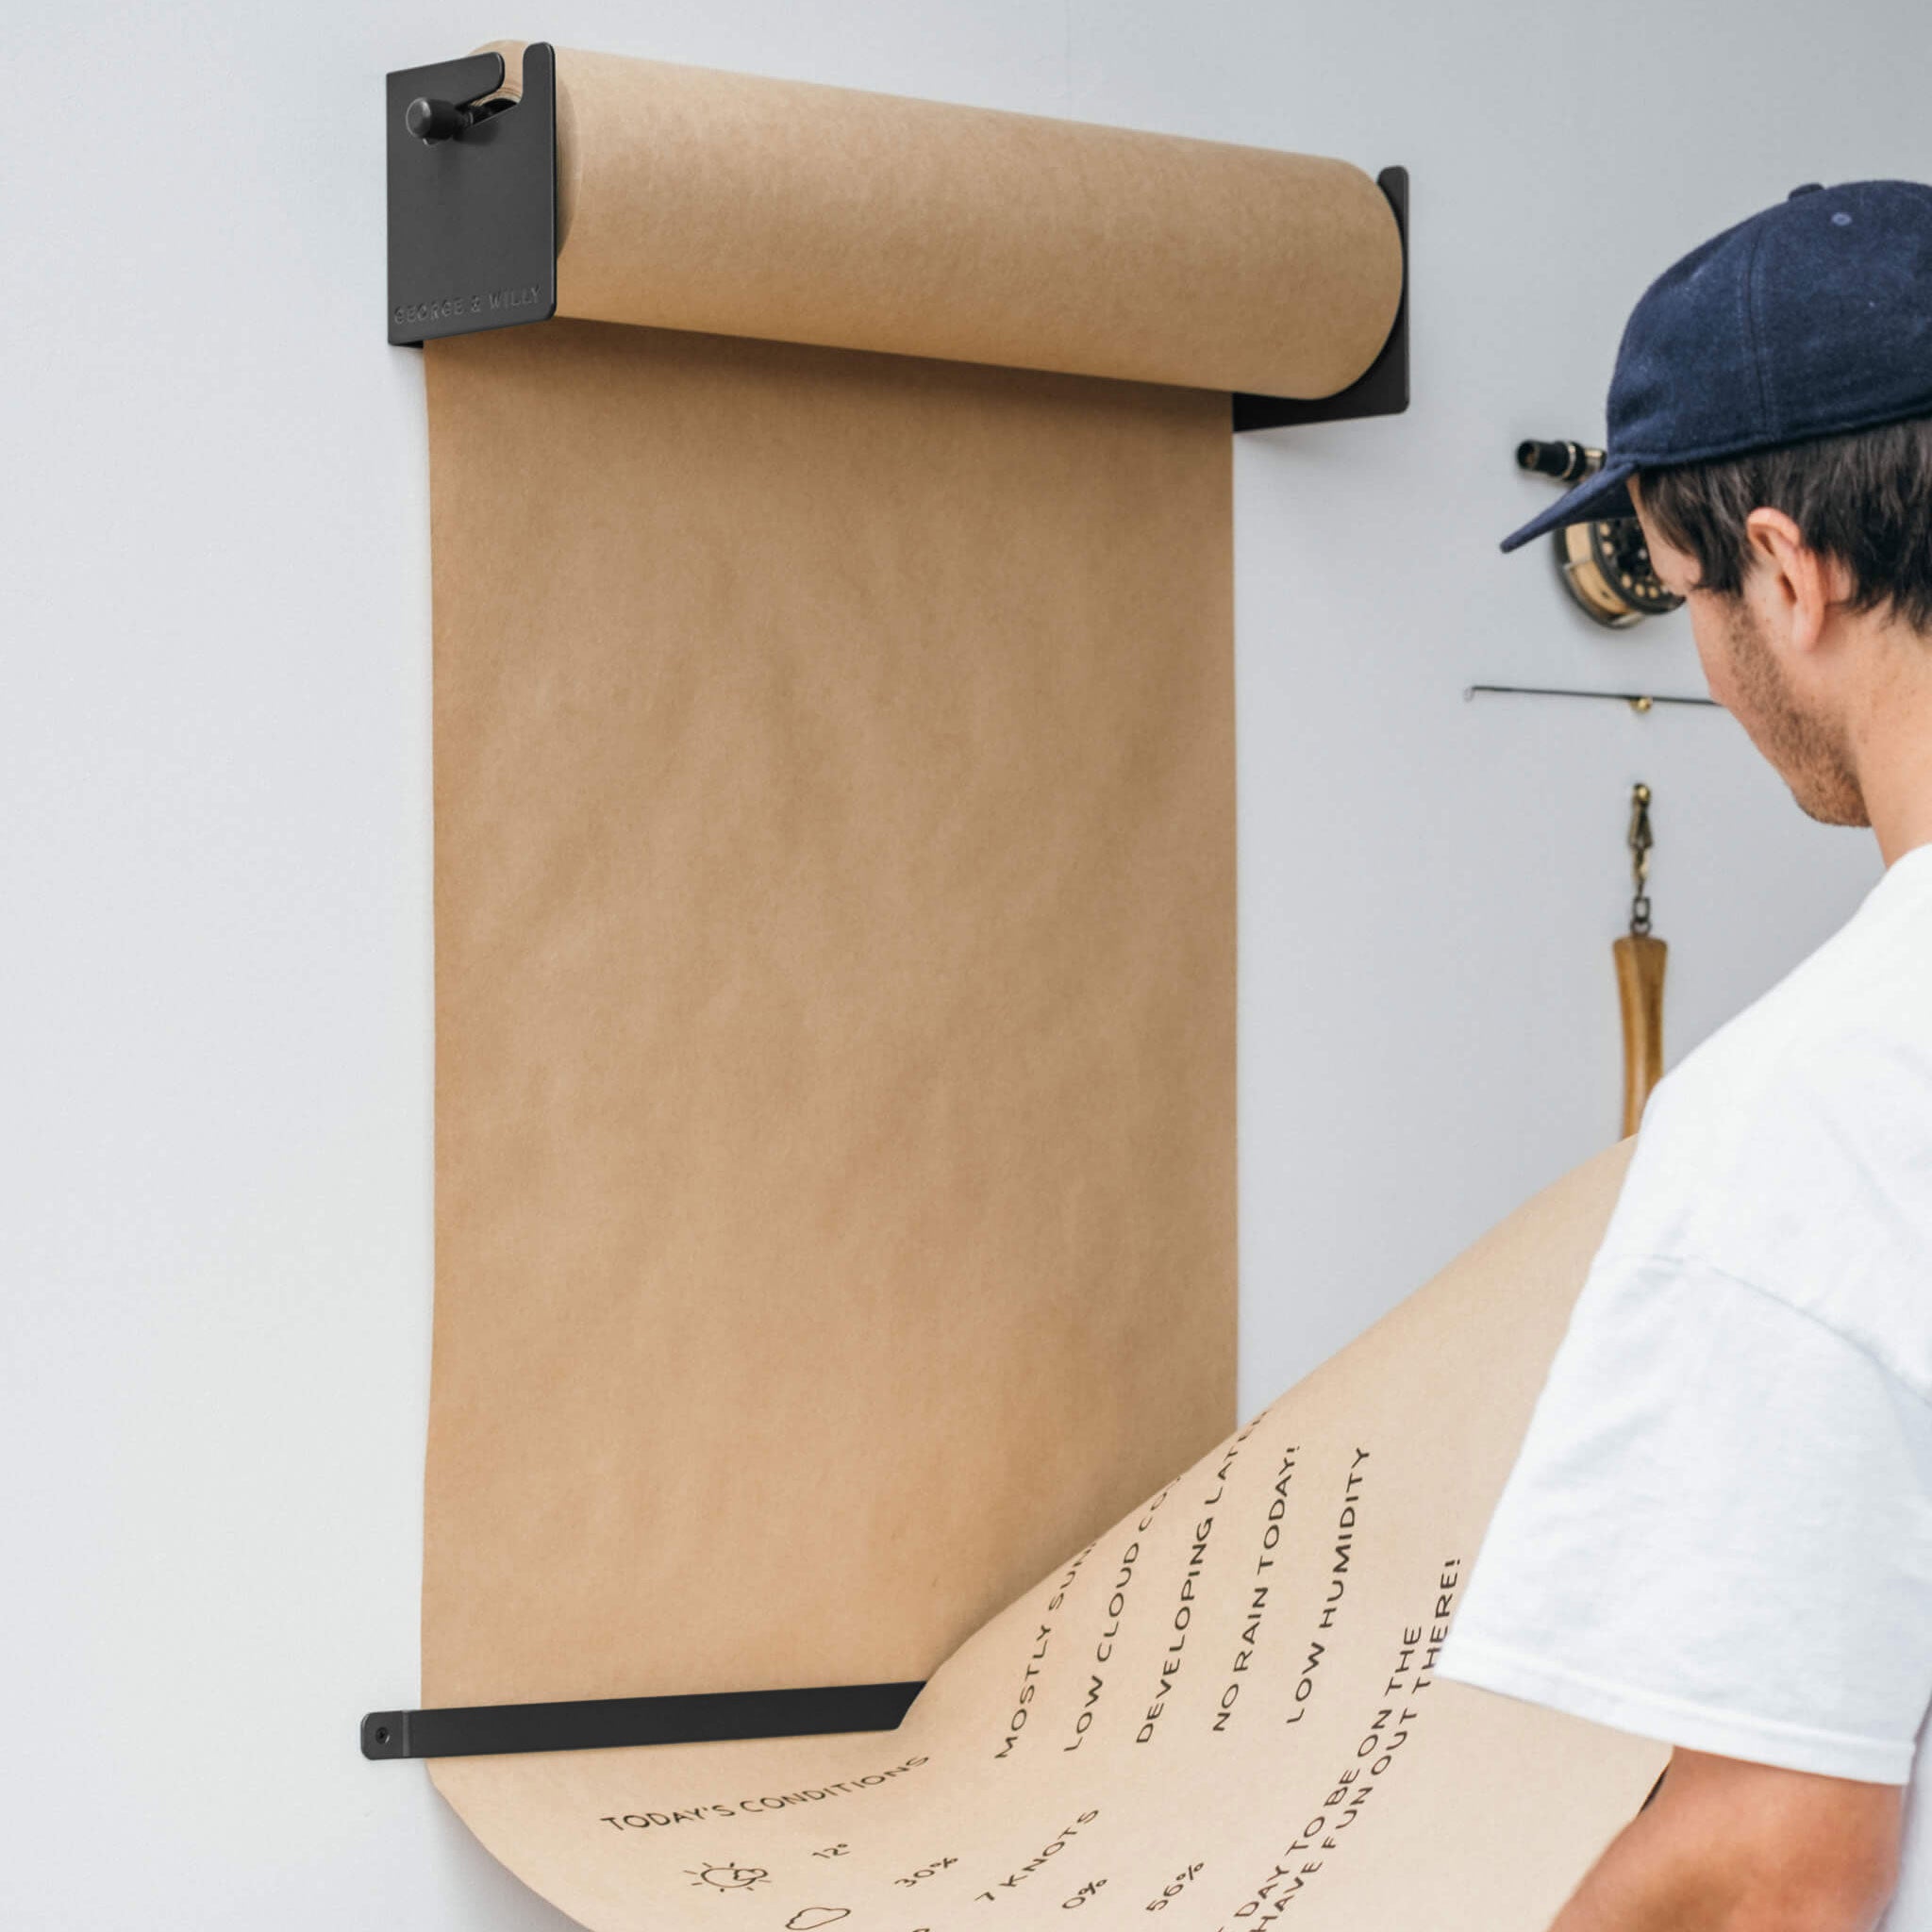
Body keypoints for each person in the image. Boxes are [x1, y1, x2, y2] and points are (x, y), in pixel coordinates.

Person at [1433, 180, 1932, 1932]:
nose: (1708, 661)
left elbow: (1771, 1876)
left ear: (1788, 574)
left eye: (1685, 584)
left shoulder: (1824, 1107)